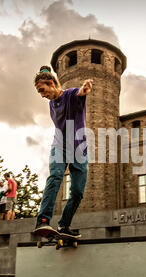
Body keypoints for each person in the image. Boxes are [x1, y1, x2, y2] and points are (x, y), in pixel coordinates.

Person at [33, 65, 93, 236]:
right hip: (59, 146)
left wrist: (85, 88)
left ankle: (64, 226)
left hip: (79, 149)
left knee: (77, 192)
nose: (43, 95)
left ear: (52, 83)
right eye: (40, 93)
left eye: (43, 90)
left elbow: (79, 93)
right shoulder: (52, 104)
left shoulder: (70, 94)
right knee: (55, 177)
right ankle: (43, 221)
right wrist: (43, 71)